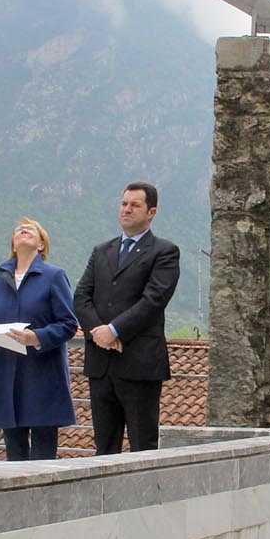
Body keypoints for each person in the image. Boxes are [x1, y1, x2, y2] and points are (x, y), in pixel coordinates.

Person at [74, 182, 181, 455]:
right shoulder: (101, 251)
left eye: (135, 205)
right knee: (104, 447)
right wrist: (98, 332)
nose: (127, 209)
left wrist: (115, 330)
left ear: (151, 212)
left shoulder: (164, 252)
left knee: (142, 446)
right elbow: (81, 296)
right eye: (124, 204)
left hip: (139, 364)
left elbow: (154, 300)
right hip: (100, 362)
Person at [0, 218, 79, 460]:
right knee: (14, 454)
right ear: (13, 243)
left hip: (42, 374)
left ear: (41, 245)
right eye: (19, 229)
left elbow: (68, 324)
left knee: (43, 455)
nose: (23, 230)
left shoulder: (54, 276)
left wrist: (36, 337)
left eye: (31, 229)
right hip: (6, 373)